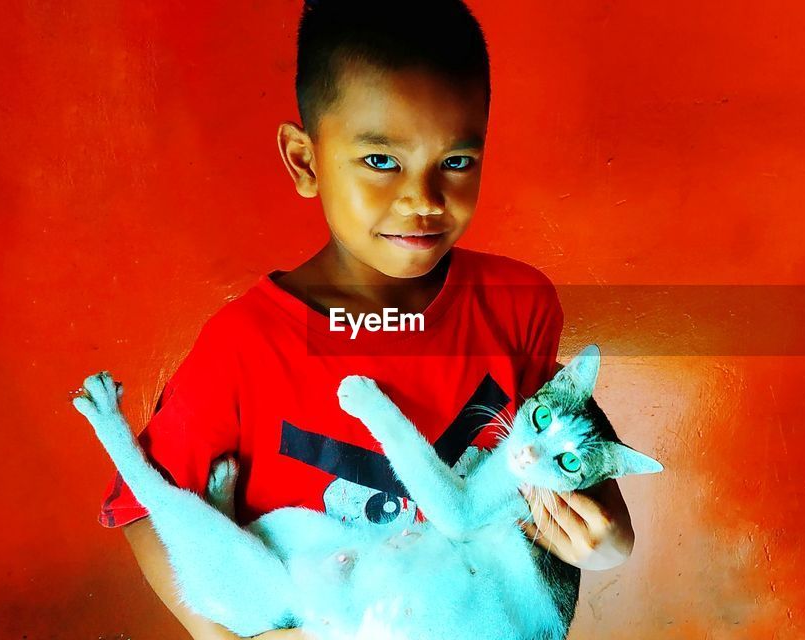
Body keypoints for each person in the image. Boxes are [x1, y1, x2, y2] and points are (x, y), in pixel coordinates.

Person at [98, 1, 635, 637]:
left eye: (456, 161)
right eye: (381, 161)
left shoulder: (520, 303)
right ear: (305, 161)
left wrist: (608, 533)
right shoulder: (244, 346)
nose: (424, 199)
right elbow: (142, 507)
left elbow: (565, 441)